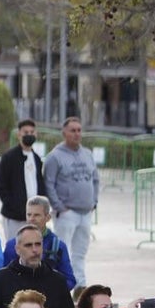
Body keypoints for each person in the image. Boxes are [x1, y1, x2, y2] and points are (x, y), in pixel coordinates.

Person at [44, 117, 99, 288]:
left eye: (79, 130)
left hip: (86, 212)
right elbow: (49, 183)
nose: (76, 134)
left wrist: (94, 202)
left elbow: (95, 179)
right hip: (66, 213)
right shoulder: (55, 156)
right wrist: (59, 207)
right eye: (72, 130)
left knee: (80, 253)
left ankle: (80, 286)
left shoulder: (88, 154)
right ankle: (62, 286)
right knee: (63, 252)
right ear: (64, 133)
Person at [2, 196, 77, 290]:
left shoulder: (58, 246)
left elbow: (70, 280)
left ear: (48, 217)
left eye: (37, 215)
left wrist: (50, 289)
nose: (31, 219)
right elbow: (4, 278)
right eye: (29, 215)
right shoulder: (12, 245)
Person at [0, 120, 47, 241]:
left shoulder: (37, 159)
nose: (29, 135)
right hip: (14, 216)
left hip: (34, 216)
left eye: (32, 132)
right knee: (15, 247)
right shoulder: (9, 157)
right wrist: (13, 205)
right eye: (26, 132)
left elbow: (39, 183)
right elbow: (1, 186)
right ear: (19, 134)